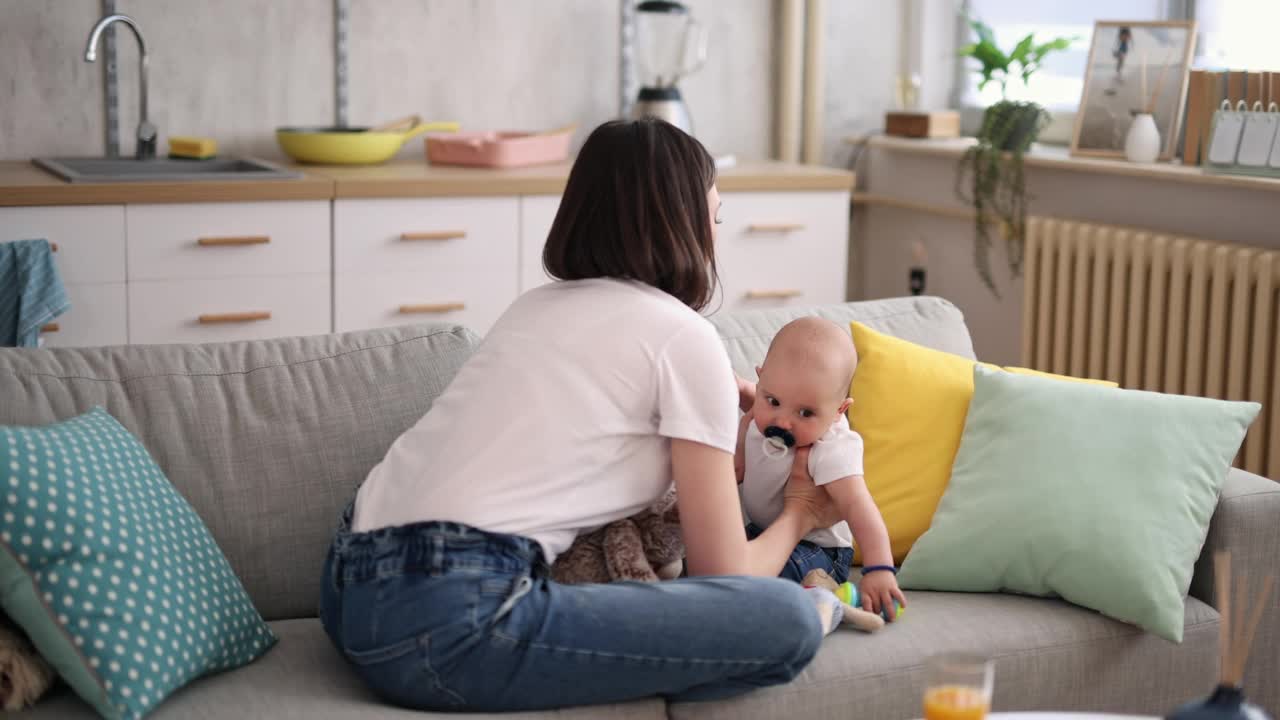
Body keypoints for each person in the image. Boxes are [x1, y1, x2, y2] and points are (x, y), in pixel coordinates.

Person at [318, 118, 843, 713]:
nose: (716, 237)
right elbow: (727, 575)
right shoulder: (685, 338)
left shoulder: (534, 307)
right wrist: (801, 514)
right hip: (445, 614)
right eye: (715, 219)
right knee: (784, 620)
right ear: (686, 225)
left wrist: (715, 403)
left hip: (345, 583)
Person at [735, 317, 907, 619]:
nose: (782, 422)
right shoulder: (756, 414)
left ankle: (824, 595)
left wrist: (879, 569)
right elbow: (743, 438)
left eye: (806, 412)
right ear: (760, 381)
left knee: (771, 580)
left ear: (839, 410)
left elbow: (858, 506)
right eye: (773, 401)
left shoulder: (832, 445)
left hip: (819, 548)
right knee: (708, 564)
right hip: (762, 532)